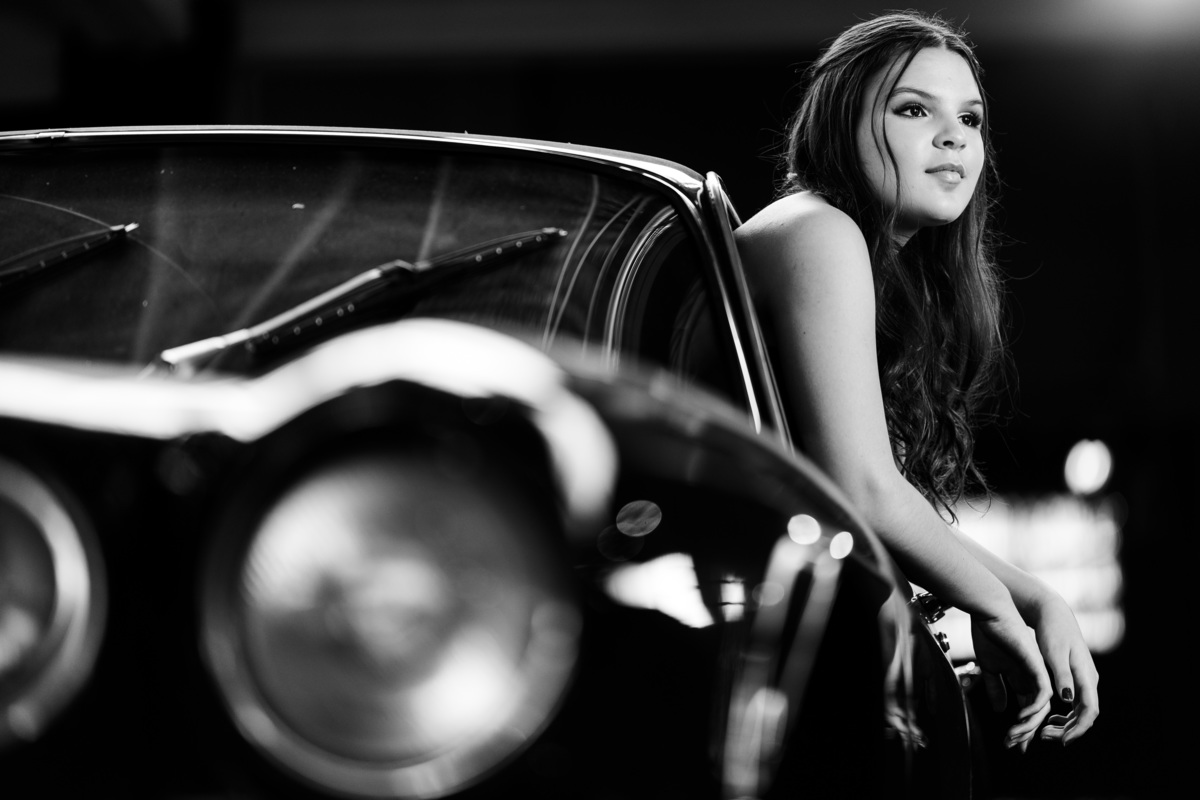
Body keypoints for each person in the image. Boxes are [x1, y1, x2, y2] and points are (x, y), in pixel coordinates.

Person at [734, 11, 1098, 749]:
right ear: (841, 125)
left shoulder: (876, 266)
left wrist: (1034, 597)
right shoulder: (817, 228)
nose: (954, 137)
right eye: (912, 110)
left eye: (970, 118)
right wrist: (994, 604)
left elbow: (879, 491)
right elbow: (863, 486)